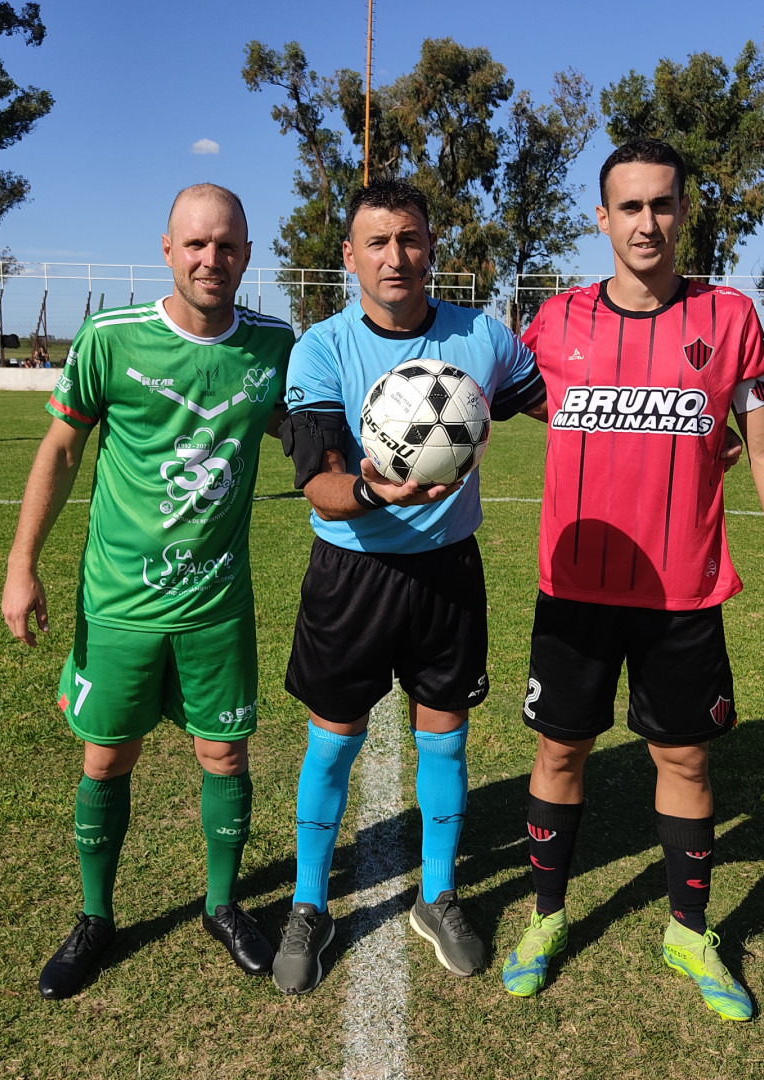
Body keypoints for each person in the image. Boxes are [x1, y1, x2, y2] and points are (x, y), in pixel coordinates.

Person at [499, 138, 764, 1023]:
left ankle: (687, 930)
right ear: (602, 218)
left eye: (662, 204)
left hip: (683, 593)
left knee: (684, 756)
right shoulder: (554, 323)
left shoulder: (729, 317)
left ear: (683, 211)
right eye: (629, 207)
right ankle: (547, 916)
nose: (647, 223)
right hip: (575, 590)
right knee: (560, 751)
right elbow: (477, 404)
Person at [1, 184, 292, 1001]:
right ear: (167, 249)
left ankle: (223, 904)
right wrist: (22, 564)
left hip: (215, 604)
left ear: (246, 253)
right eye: (196, 244)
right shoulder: (110, 338)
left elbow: (302, 430)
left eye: (226, 245)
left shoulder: (273, 346)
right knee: (106, 757)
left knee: (224, 754)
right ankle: (95, 918)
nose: (211, 259)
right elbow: (61, 452)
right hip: (120, 606)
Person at [270, 177, 549, 995]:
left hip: (446, 573)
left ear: (431, 247)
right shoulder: (322, 348)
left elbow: (563, 405)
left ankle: (438, 894)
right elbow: (319, 484)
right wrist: (372, 491)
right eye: (378, 242)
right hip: (352, 573)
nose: (396, 256)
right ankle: (309, 903)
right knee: (333, 741)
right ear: (350, 257)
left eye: (410, 238)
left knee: (446, 739)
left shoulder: (483, 338)